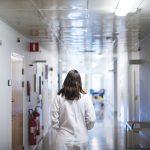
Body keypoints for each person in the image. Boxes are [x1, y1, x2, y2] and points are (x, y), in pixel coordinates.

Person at [51, 69, 96, 150]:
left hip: (63, 139)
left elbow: (54, 118)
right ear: (79, 82)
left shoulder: (59, 97)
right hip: (81, 138)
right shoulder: (86, 97)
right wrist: (86, 128)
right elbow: (91, 119)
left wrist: (59, 129)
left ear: (66, 81)